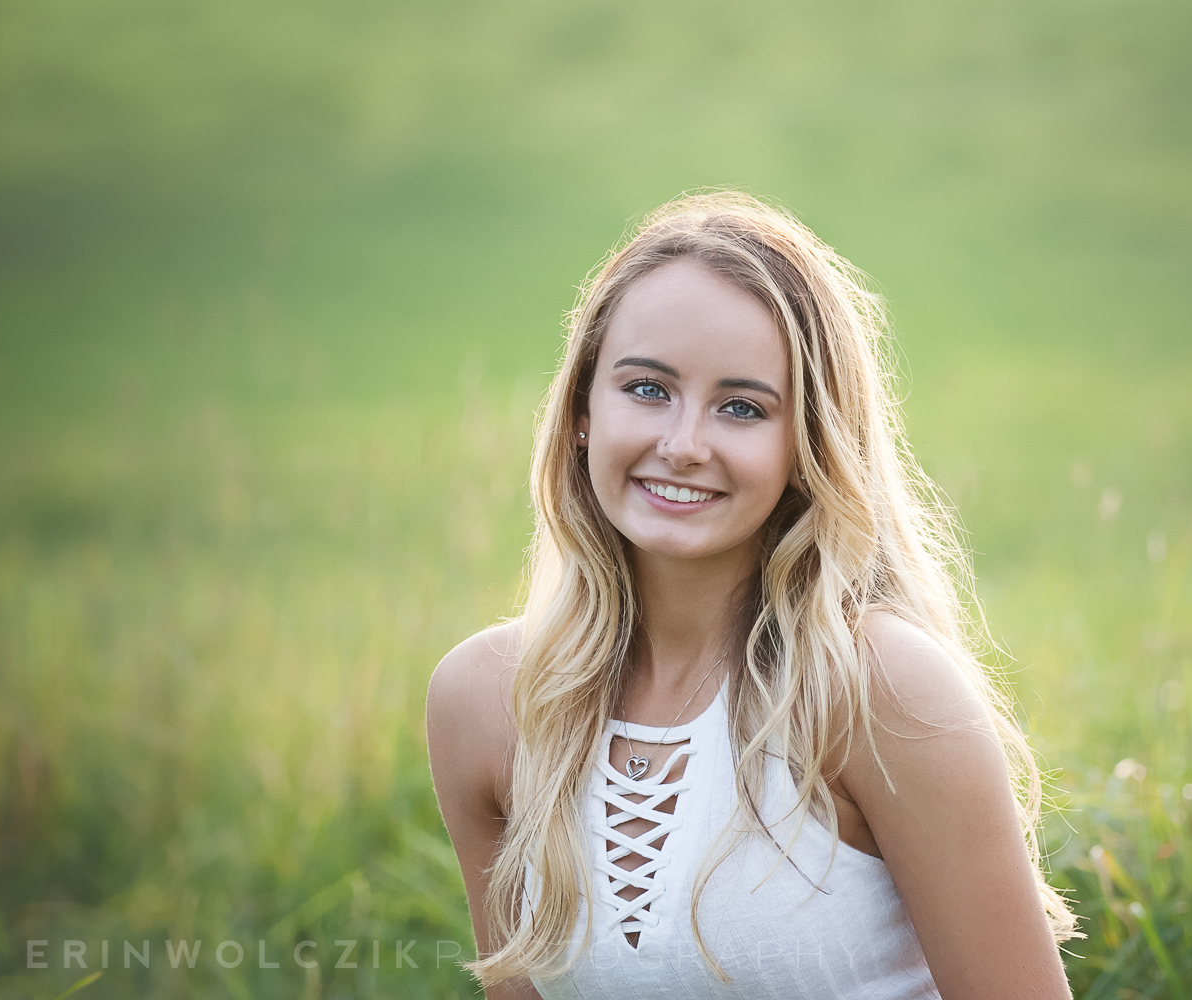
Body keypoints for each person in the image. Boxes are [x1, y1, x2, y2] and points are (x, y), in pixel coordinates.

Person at [426, 191, 1079, 999]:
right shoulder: (485, 702)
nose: (684, 445)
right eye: (647, 389)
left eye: (742, 407)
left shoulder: (879, 690)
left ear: (806, 444)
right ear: (583, 410)